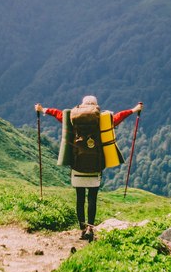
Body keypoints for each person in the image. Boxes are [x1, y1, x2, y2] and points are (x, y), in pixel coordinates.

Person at [35, 96, 143, 241]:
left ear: (83, 105)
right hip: (95, 165)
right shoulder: (102, 119)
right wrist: (134, 109)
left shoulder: (74, 117)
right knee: (92, 198)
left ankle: (81, 228)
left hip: (77, 164)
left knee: (80, 199)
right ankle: (90, 229)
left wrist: (43, 110)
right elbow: (118, 117)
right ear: (96, 106)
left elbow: (58, 114)